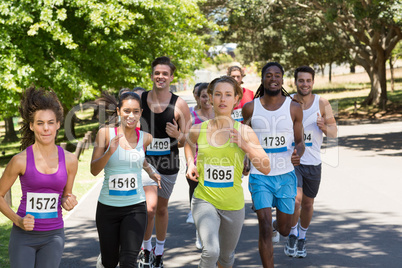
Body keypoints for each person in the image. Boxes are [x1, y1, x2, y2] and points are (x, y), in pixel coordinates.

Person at [185, 76, 270, 268]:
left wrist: (244, 144)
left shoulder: (245, 132)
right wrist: (190, 163)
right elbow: (188, 144)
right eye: (218, 94)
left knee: (226, 257)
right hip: (204, 199)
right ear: (210, 98)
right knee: (210, 251)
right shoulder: (198, 129)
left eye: (228, 95)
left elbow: (266, 167)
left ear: (236, 99)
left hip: (233, 204)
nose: (222, 99)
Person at [0, 86, 78, 268]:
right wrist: (17, 220)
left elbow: (67, 195)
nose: (46, 128)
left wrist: (69, 200)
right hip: (23, 236)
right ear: (31, 125)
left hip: (54, 236)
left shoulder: (70, 160)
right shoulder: (19, 161)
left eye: (51, 122)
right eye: (40, 123)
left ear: (58, 124)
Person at [242, 62, 305, 268]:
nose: (273, 79)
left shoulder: (294, 107)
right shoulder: (251, 108)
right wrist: (244, 159)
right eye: (268, 75)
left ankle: (281, 226)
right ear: (262, 79)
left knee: (284, 229)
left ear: (282, 79)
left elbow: (300, 141)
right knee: (265, 226)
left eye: (277, 75)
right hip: (260, 175)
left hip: (286, 174)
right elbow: (245, 139)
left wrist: (298, 153)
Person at [91, 91, 161, 268]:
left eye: (136, 111)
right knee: (110, 262)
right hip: (108, 207)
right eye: (127, 111)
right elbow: (93, 170)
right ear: (118, 111)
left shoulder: (146, 138)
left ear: (141, 113)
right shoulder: (105, 134)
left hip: (135, 206)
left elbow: (138, 157)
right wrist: (110, 152)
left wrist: (150, 171)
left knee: (128, 262)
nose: (131, 116)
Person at [138, 56, 191, 268]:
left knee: (161, 209)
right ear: (152, 75)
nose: (160, 77)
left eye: (165, 73)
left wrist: (178, 134)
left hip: (168, 164)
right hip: (144, 162)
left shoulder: (179, 104)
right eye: (157, 73)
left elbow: (187, 140)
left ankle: (159, 251)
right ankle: (145, 249)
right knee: (149, 209)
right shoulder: (140, 99)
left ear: (171, 77)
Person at [283, 66, 337, 258]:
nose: (304, 84)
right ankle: (291, 233)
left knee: (307, 203)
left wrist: (324, 127)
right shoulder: (287, 101)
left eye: (308, 81)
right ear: (295, 82)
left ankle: (302, 237)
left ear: (313, 82)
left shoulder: (322, 103)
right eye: (301, 80)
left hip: (313, 162)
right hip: (293, 159)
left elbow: (334, 133)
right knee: (296, 200)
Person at [186, 82, 214, 249]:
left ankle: (212, 233)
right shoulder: (190, 116)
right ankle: (200, 231)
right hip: (197, 165)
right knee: (199, 203)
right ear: (198, 97)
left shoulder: (220, 114)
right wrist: (190, 164)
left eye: (210, 96)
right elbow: (187, 142)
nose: (207, 99)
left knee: (214, 203)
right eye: (204, 96)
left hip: (217, 166)